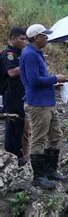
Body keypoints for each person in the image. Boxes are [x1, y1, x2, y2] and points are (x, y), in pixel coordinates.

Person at [20, 24, 68, 189]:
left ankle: (50, 170)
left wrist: (52, 85)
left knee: (55, 135)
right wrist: (55, 78)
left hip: (47, 101)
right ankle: (39, 176)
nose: (47, 38)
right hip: (38, 103)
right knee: (39, 138)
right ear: (36, 37)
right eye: (44, 36)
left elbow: (39, 79)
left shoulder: (37, 53)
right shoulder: (30, 55)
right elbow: (33, 81)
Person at [1, 27, 29, 166]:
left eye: (25, 39)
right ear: (12, 38)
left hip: (21, 94)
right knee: (13, 123)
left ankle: (18, 154)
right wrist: (26, 63)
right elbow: (11, 72)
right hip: (10, 94)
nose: (24, 41)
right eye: (21, 39)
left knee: (20, 124)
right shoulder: (9, 53)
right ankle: (11, 155)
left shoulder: (21, 53)